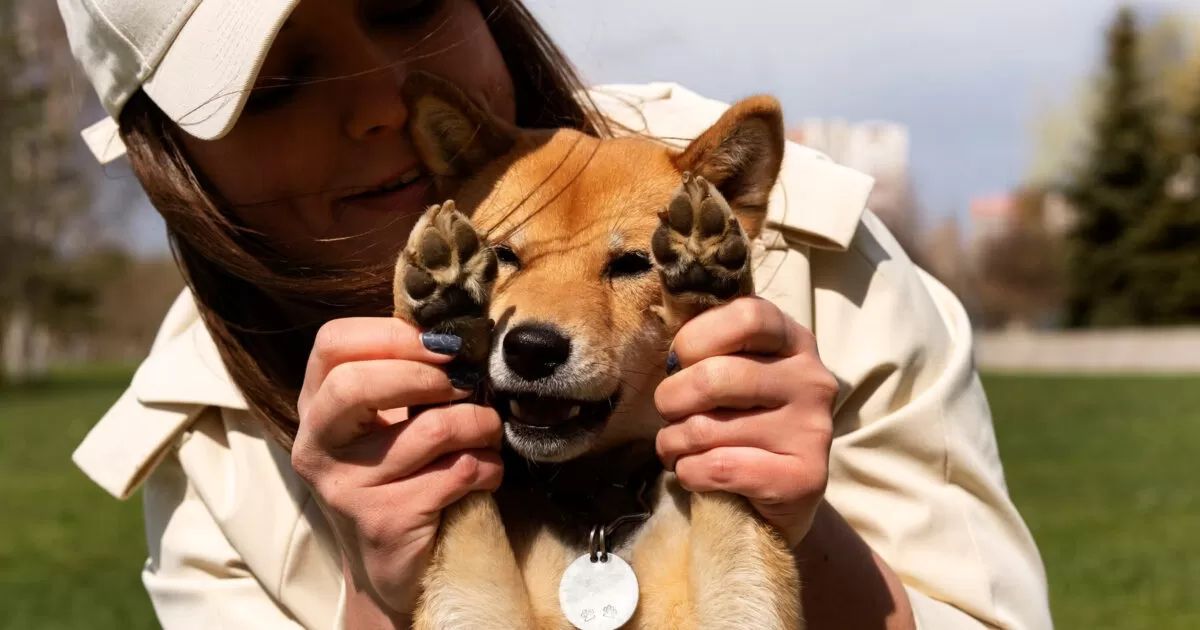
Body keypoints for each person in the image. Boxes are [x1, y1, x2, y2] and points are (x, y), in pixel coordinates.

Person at [59, 0, 1054, 628]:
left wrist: (792, 523)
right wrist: (380, 590)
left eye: (405, 7)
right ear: (167, 158)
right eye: (273, 90)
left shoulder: (802, 258)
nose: (377, 104)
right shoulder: (208, 441)